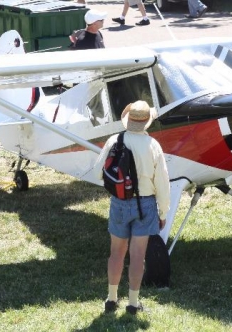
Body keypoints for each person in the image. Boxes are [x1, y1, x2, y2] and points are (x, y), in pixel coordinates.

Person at [93, 100, 170, 315]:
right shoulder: (153, 145)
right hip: (145, 205)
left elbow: (98, 173)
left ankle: (111, 299)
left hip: (119, 203)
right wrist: (163, 212)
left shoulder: (114, 141)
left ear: (128, 119)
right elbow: (162, 184)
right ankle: (133, 303)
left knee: (116, 253)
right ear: (147, 122)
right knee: (138, 256)